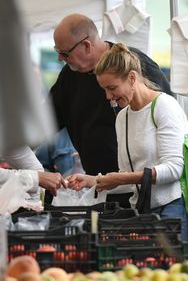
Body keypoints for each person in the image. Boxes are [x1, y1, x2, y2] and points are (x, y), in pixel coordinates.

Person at [67, 43, 188, 241]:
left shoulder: (164, 106)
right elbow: (130, 178)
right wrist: (95, 181)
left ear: (132, 78)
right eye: (104, 90)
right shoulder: (122, 117)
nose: (108, 96)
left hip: (174, 209)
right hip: (144, 212)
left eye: (112, 88)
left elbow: (174, 169)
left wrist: (120, 179)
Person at [50, 13, 172, 207]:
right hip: (100, 189)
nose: (59, 58)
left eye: (64, 53)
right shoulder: (69, 77)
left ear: (87, 46)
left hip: (149, 195)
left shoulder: (137, 66)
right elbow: (46, 121)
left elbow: (171, 136)